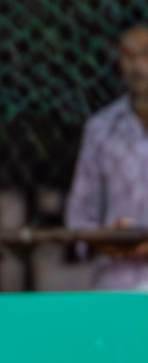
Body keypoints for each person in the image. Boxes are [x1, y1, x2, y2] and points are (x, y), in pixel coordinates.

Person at [65, 25, 148, 290]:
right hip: (118, 284)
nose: (138, 65)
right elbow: (79, 217)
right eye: (128, 55)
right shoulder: (100, 129)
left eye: (146, 54)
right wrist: (107, 239)